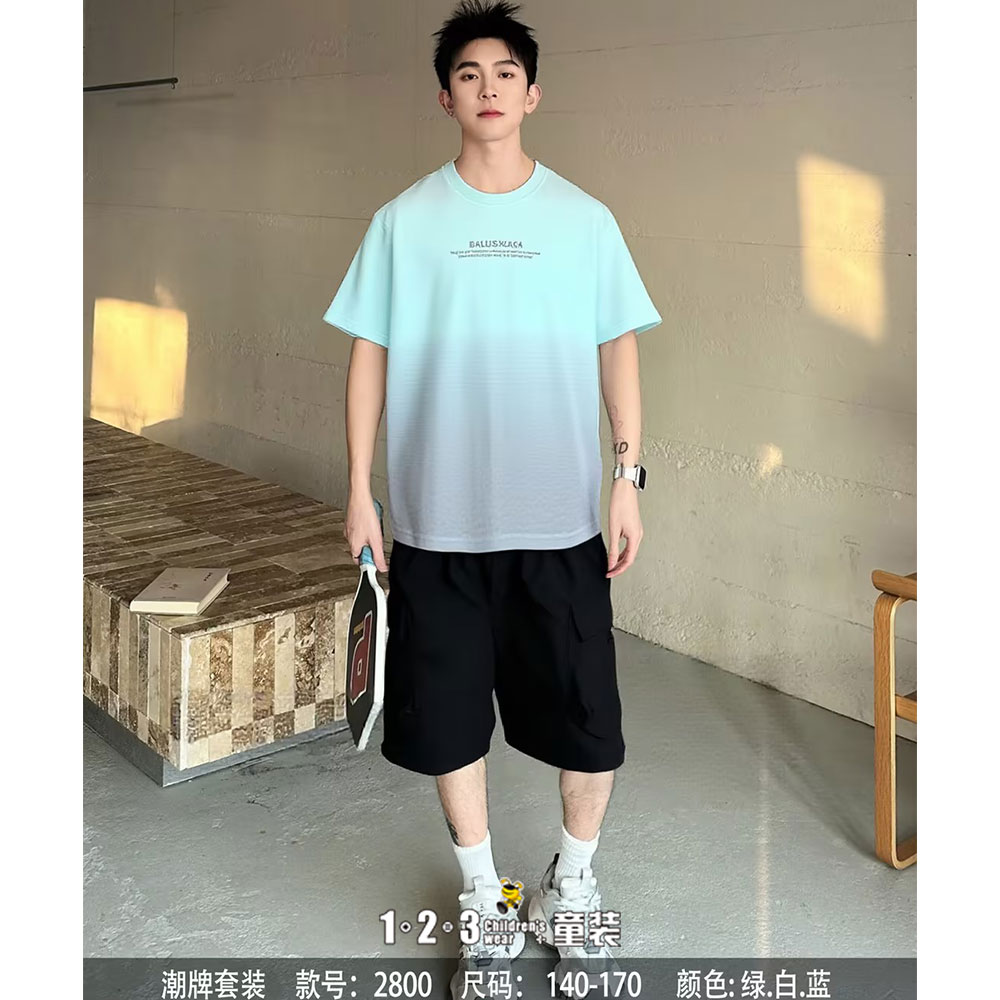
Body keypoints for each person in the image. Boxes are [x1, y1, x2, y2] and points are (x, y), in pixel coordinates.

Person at [323, 2, 660, 995]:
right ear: (446, 98)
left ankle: (571, 885)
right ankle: (483, 898)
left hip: (560, 524)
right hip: (438, 526)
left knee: (589, 722)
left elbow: (618, 347)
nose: (488, 88)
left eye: (505, 72)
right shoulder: (403, 222)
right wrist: (358, 489)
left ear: (532, 93)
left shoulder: (583, 219)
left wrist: (627, 476)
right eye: (468, 74)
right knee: (446, 723)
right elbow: (369, 357)